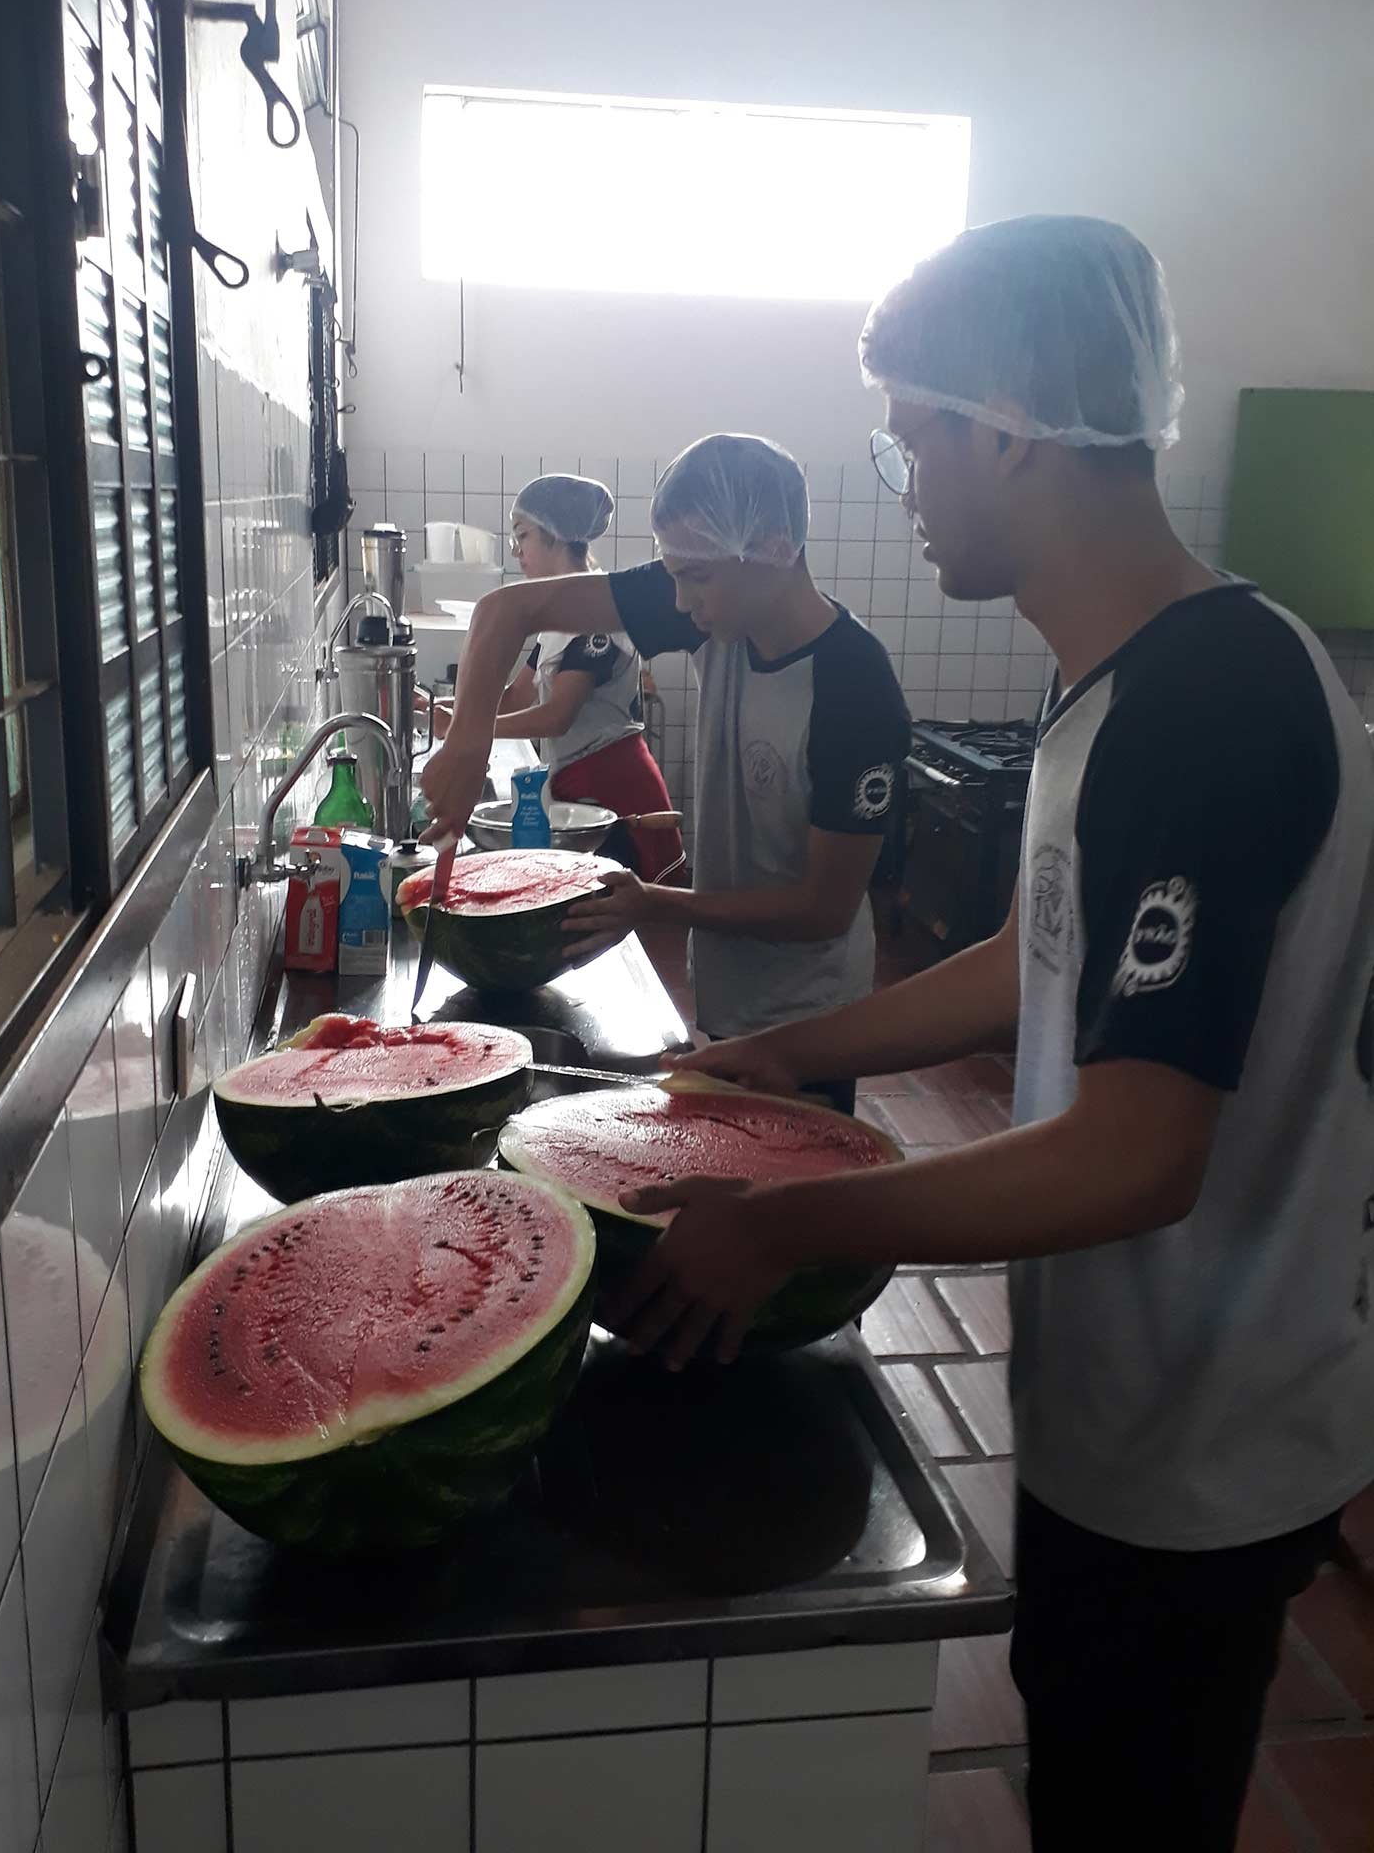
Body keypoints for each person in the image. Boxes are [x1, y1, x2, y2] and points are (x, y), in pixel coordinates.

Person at [603, 218, 1374, 1851]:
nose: (905, 488)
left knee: (1131, 1805)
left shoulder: (1210, 705)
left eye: (912, 442)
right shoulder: (1116, 682)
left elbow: (1137, 1158)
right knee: (1082, 1755)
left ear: (1009, 431)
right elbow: (1036, 954)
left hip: (1208, 1428)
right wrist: (792, 1054)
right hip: (1125, 1398)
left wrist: (786, 1226)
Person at [420, 432, 911, 1112]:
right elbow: (506, 610)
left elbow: (821, 909)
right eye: (673, 574)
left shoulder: (855, 685)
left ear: (774, 548)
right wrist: (467, 740)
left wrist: (655, 902)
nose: (678, 602)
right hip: (727, 988)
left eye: (695, 577)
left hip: (812, 1019)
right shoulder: (714, 607)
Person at [431, 475, 683, 881]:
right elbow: (516, 696)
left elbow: (557, 716)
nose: (516, 551)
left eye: (522, 536)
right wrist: (449, 712)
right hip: (578, 782)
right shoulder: (554, 621)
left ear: (557, 536)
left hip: (615, 787)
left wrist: (470, 731)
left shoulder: (597, 618)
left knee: (626, 908)